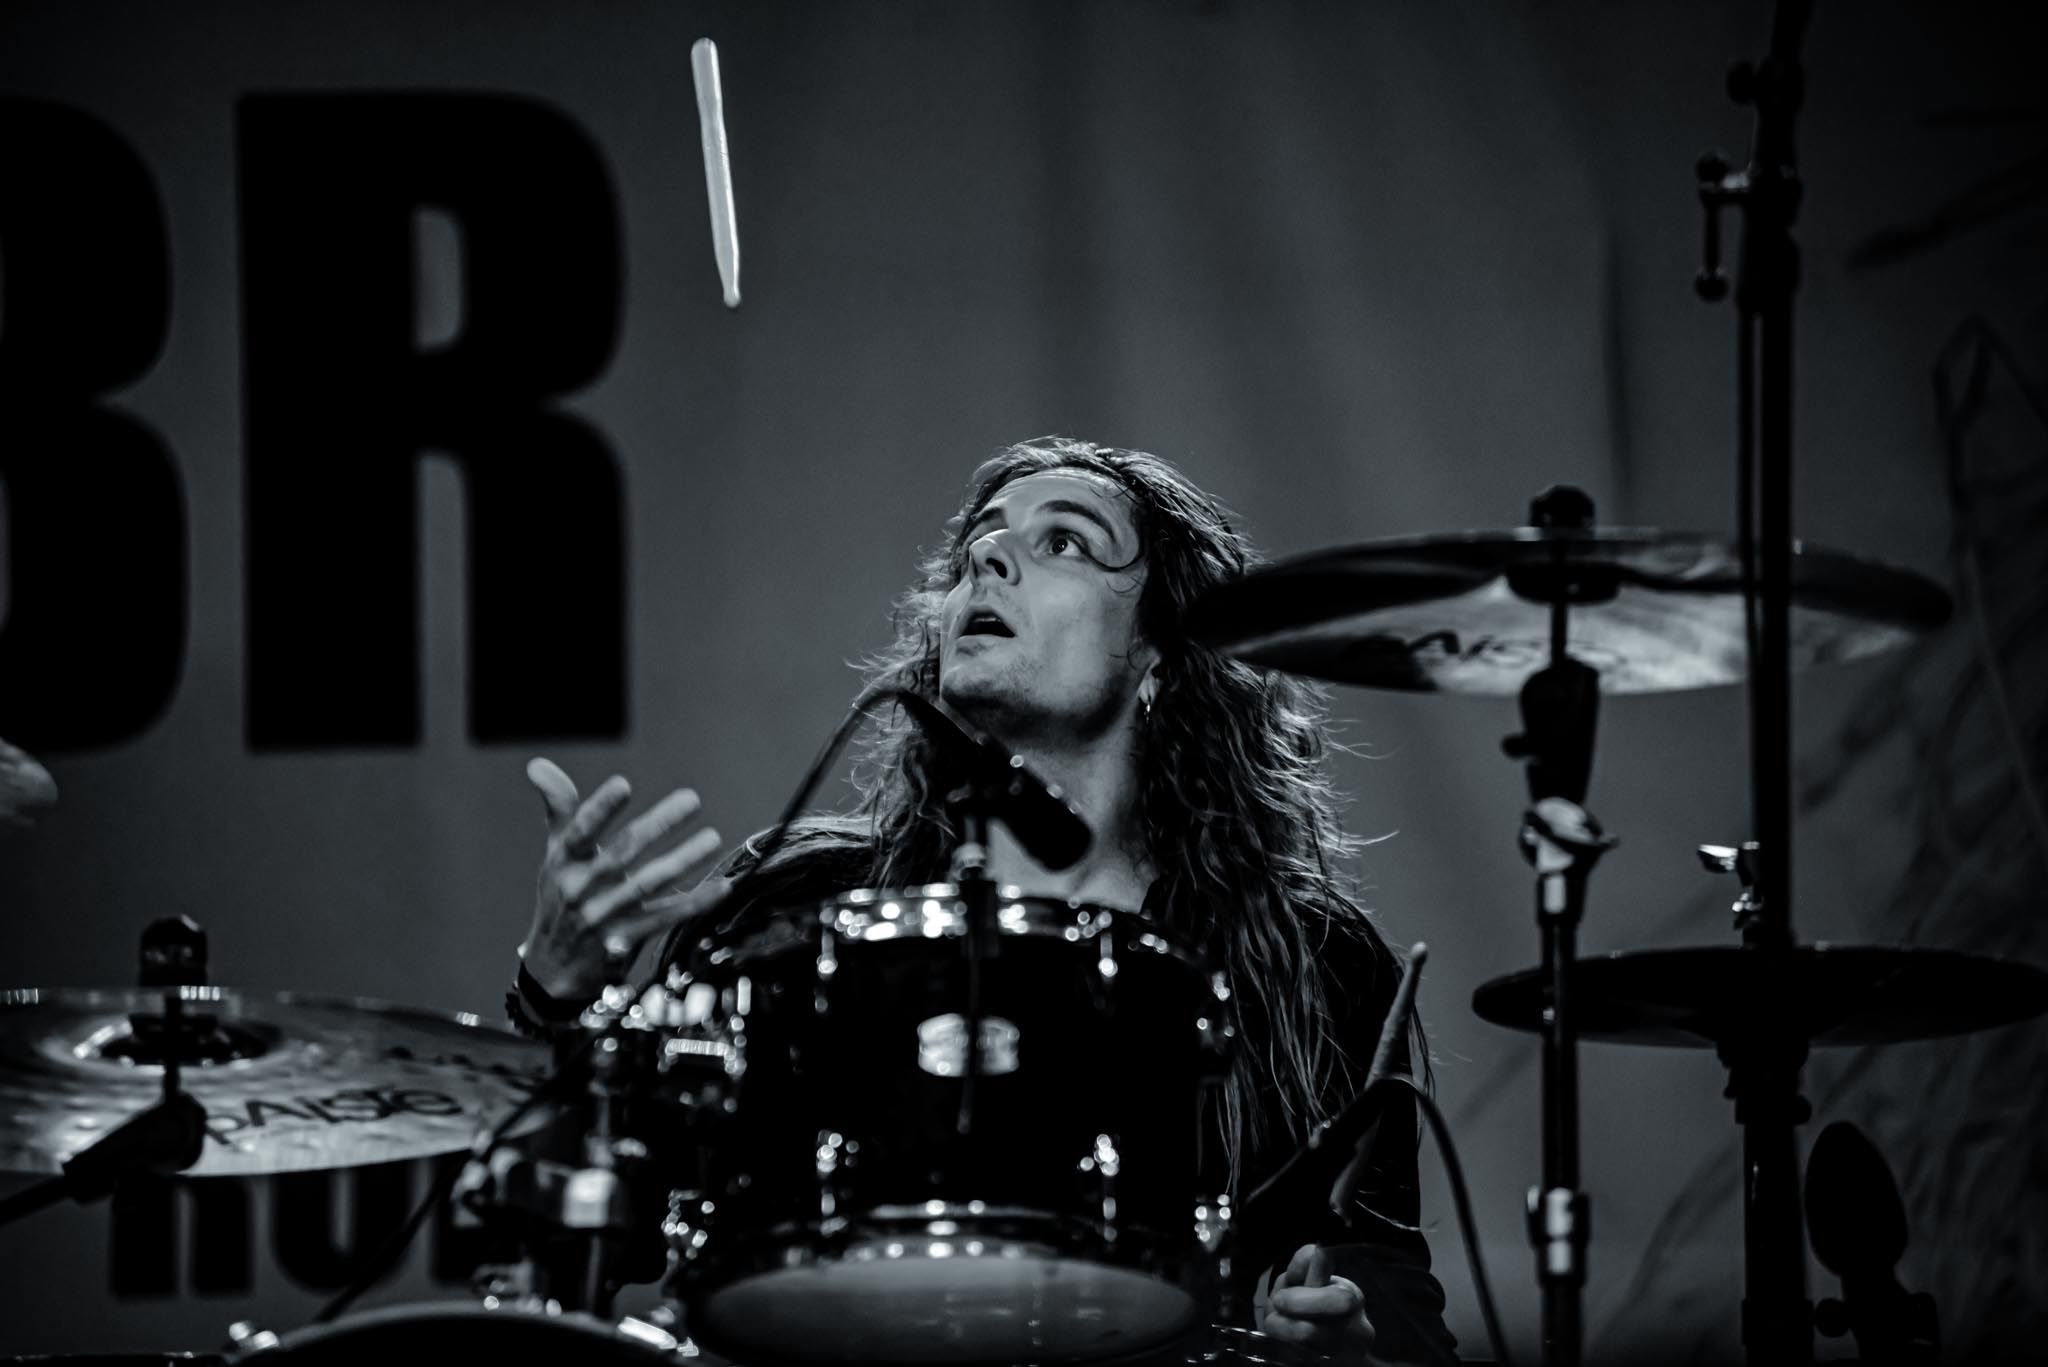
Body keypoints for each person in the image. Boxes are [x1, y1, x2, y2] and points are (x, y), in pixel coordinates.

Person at [511, 437, 1458, 1364]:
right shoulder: (792, 909)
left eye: (1064, 541)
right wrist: (560, 995)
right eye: (979, 544)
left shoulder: (1305, 957)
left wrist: (1351, 1336)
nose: (988, 558)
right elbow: (600, 1224)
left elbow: (1388, 1283)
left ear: (1161, 652)